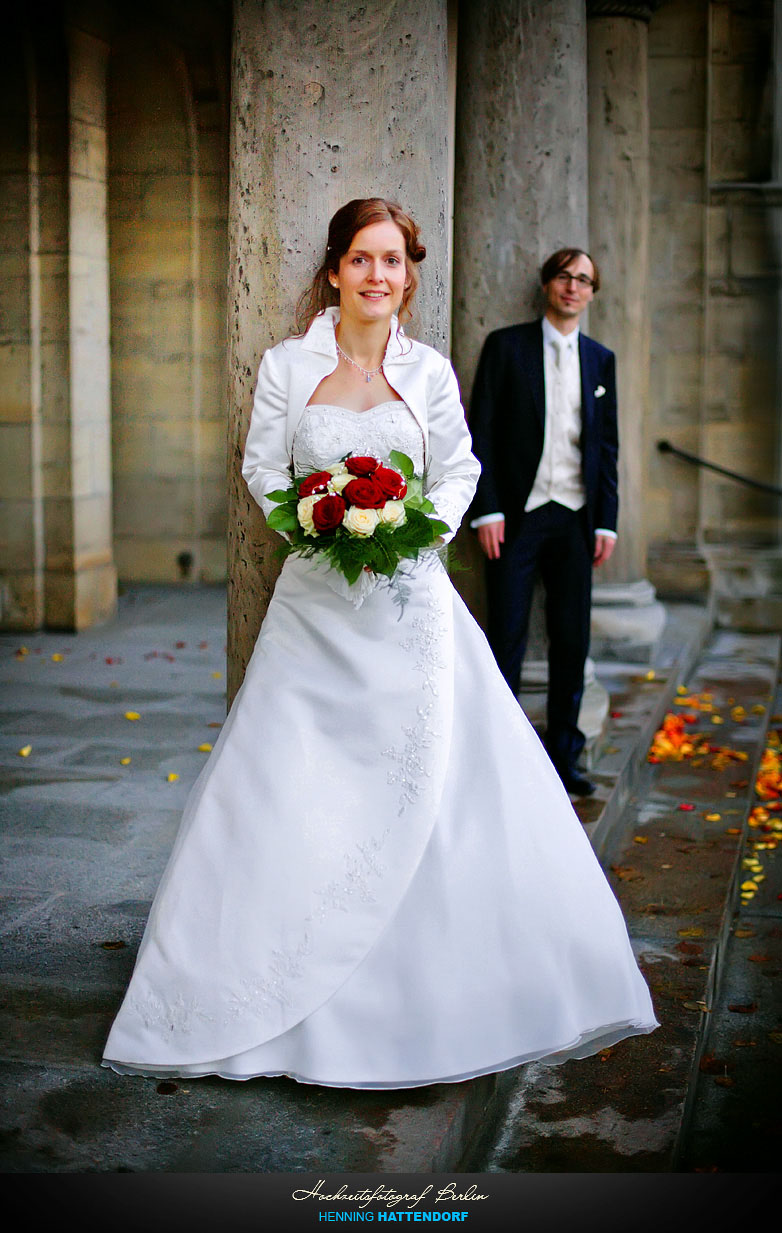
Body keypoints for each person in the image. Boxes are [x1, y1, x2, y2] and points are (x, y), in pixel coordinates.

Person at [102, 201, 656, 1089]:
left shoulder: (429, 371)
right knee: (290, 786)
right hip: (315, 605)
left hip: (408, 606)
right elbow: (261, 465)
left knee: (435, 786)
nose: (376, 276)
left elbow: (461, 469)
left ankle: (430, 989)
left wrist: (405, 526)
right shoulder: (289, 365)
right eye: (360, 259)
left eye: (391, 261)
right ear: (334, 271)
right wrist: (319, 523)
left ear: (409, 274)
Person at [468, 248, 618, 798]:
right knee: (505, 635)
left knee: (571, 640)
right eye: (564, 276)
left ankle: (565, 756)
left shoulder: (601, 359)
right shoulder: (507, 347)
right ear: (547, 283)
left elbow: (606, 447)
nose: (573, 287)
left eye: (584, 280)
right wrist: (486, 507)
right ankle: (502, 757)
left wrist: (607, 522)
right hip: (515, 517)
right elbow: (478, 431)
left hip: (577, 521)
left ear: (592, 293)